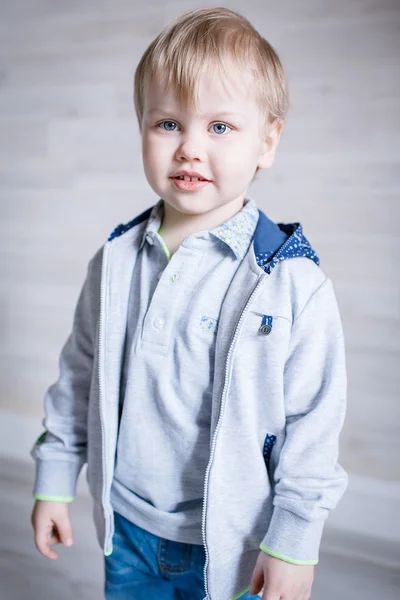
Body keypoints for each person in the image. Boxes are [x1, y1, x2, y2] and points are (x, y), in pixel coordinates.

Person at [30, 7, 348, 600]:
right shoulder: (115, 260)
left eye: (220, 127)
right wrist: (54, 477)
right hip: (127, 527)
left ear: (267, 141)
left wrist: (294, 541)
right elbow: (79, 374)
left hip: (232, 543)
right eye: (168, 124)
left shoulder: (289, 280)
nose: (190, 149)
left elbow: (314, 421)